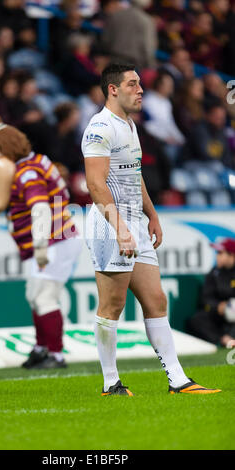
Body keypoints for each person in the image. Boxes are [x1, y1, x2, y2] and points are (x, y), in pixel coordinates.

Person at [81, 63, 221, 396]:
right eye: (133, 84)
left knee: (156, 300)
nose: (141, 89)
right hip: (109, 224)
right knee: (112, 306)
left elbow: (133, 174)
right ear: (113, 89)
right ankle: (110, 383)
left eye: (140, 84)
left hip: (135, 222)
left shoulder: (129, 124)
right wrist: (119, 229)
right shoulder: (100, 127)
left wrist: (151, 214)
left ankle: (178, 380)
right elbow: (95, 184)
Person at [0, 117, 82, 369]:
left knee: (45, 298)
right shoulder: (35, 163)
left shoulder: (26, 171)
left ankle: (55, 354)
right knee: (34, 295)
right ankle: (41, 348)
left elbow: (39, 208)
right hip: (52, 239)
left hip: (52, 240)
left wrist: (40, 246)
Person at [188, 238, 235, 348]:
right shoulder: (214, 273)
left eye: (220, 253)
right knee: (197, 319)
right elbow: (206, 297)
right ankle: (224, 340)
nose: (217, 256)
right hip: (220, 315)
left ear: (232, 255)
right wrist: (218, 306)